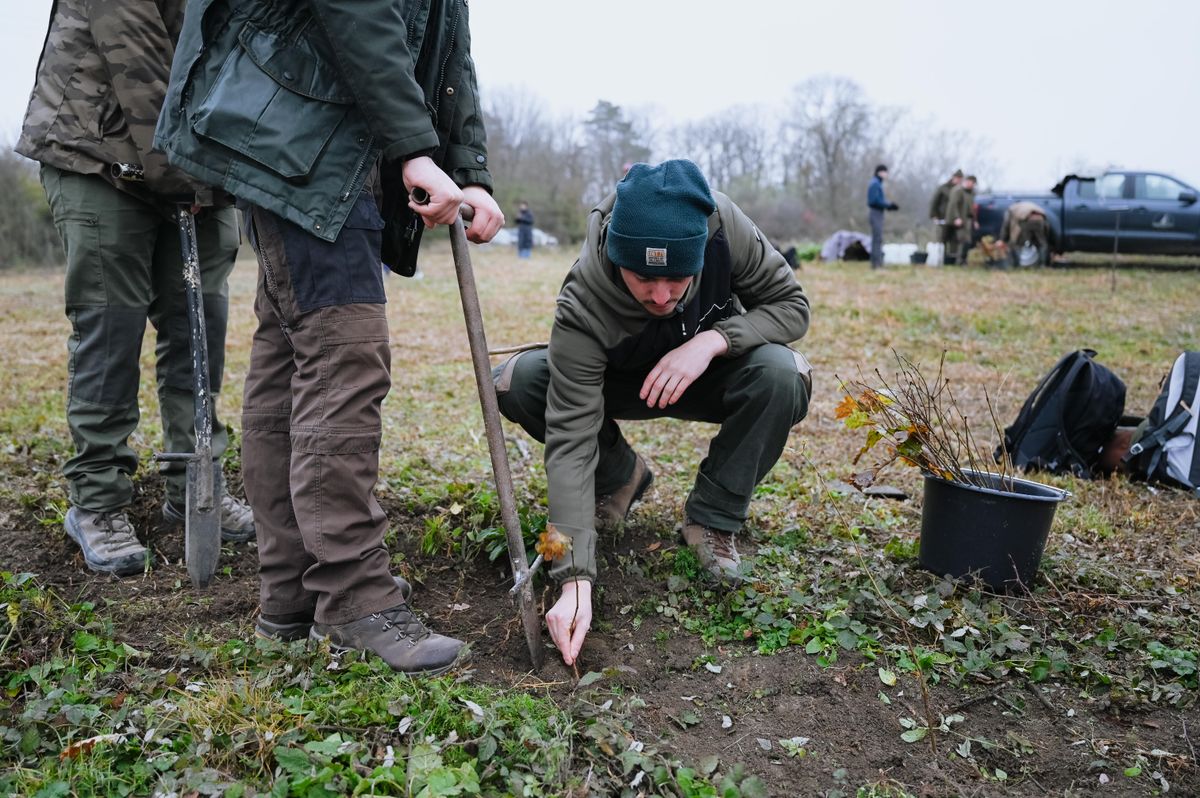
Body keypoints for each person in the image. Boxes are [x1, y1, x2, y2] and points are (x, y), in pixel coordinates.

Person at [156, 0, 504, 675]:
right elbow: (359, 12)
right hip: (305, 138)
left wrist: (470, 170)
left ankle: (289, 598)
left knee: (291, 364)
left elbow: (447, 52)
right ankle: (351, 600)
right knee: (345, 360)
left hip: (326, 145)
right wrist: (414, 147)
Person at [493, 160, 812, 667]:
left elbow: (792, 306)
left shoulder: (724, 228)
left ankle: (711, 519)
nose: (662, 296)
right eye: (643, 278)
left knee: (783, 372)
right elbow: (570, 440)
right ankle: (621, 477)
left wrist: (716, 339)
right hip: (618, 382)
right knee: (521, 379)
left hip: (707, 373)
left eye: (678, 278)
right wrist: (571, 575)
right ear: (618, 255)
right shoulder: (584, 296)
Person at [16, 0, 255, 577]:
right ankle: (97, 499)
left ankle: (193, 484)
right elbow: (139, 60)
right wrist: (186, 177)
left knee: (198, 322)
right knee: (111, 326)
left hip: (195, 159)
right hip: (97, 150)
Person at [866, 165, 900, 269]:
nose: (887, 174)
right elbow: (873, 200)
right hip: (876, 212)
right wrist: (889, 205)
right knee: (877, 238)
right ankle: (876, 264)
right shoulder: (875, 184)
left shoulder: (876, 183)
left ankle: (877, 263)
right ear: (880, 172)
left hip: (878, 212)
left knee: (877, 238)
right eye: (885, 172)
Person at [1000, 201, 1050, 267]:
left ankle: (1018, 264)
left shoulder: (1012, 208)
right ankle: (1043, 264)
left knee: (1018, 244)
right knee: (1042, 243)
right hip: (1040, 218)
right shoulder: (1030, 204)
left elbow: (1006, 225)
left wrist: (1002, 239)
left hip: (1026, 219)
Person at [944, 174, 979, 265]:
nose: (972, 185)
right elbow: (953, 205)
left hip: (967, 219)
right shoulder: (958, 191)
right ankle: (958, 261)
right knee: (961, 240)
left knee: (966, 241)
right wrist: (956, 218)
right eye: (971, 182)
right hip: (959, 220)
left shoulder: (971, 193)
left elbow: (973, 208)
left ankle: (962, 260)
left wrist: (975, 221)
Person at [928, 169, 963, 248]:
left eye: (960, 179)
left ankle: (950, 258)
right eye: (957, 178)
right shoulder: (943, 188)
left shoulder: (961, 190)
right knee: (942, 238)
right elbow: (935, 202)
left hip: (955, 219)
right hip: (943, 217)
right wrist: (934, 215)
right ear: (953, 177)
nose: (958, 180)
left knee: (954, 240)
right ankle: (941, 258)